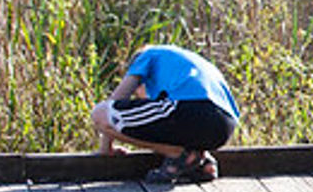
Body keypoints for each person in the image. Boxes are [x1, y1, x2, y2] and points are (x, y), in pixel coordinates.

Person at [93, 44, 241, 183]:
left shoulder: (146, 56)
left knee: (99, 114)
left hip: (191, 108)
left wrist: (106, 148)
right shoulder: (183, 61)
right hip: (225, 125)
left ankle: (176, 154)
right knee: (165, 120)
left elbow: (116, 100)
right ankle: (203, 161)